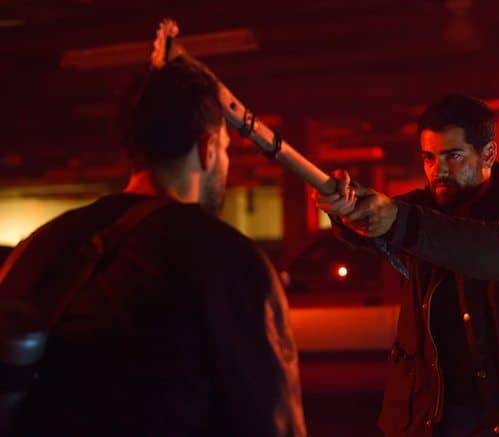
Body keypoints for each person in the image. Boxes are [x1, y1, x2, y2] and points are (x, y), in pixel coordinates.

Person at [0, 31, 306, 436]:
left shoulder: (44, 246)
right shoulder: (231, 262)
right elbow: (275, 423)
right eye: (226, 149)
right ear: (207, 149)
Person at [316, 95, 499, 436]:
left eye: (453, 156)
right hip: (433, 417)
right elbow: (372, 226)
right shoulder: (420, 210)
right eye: (429, 158)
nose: (438, 170)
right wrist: (345, 208)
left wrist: (401, 222)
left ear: (488, 154)